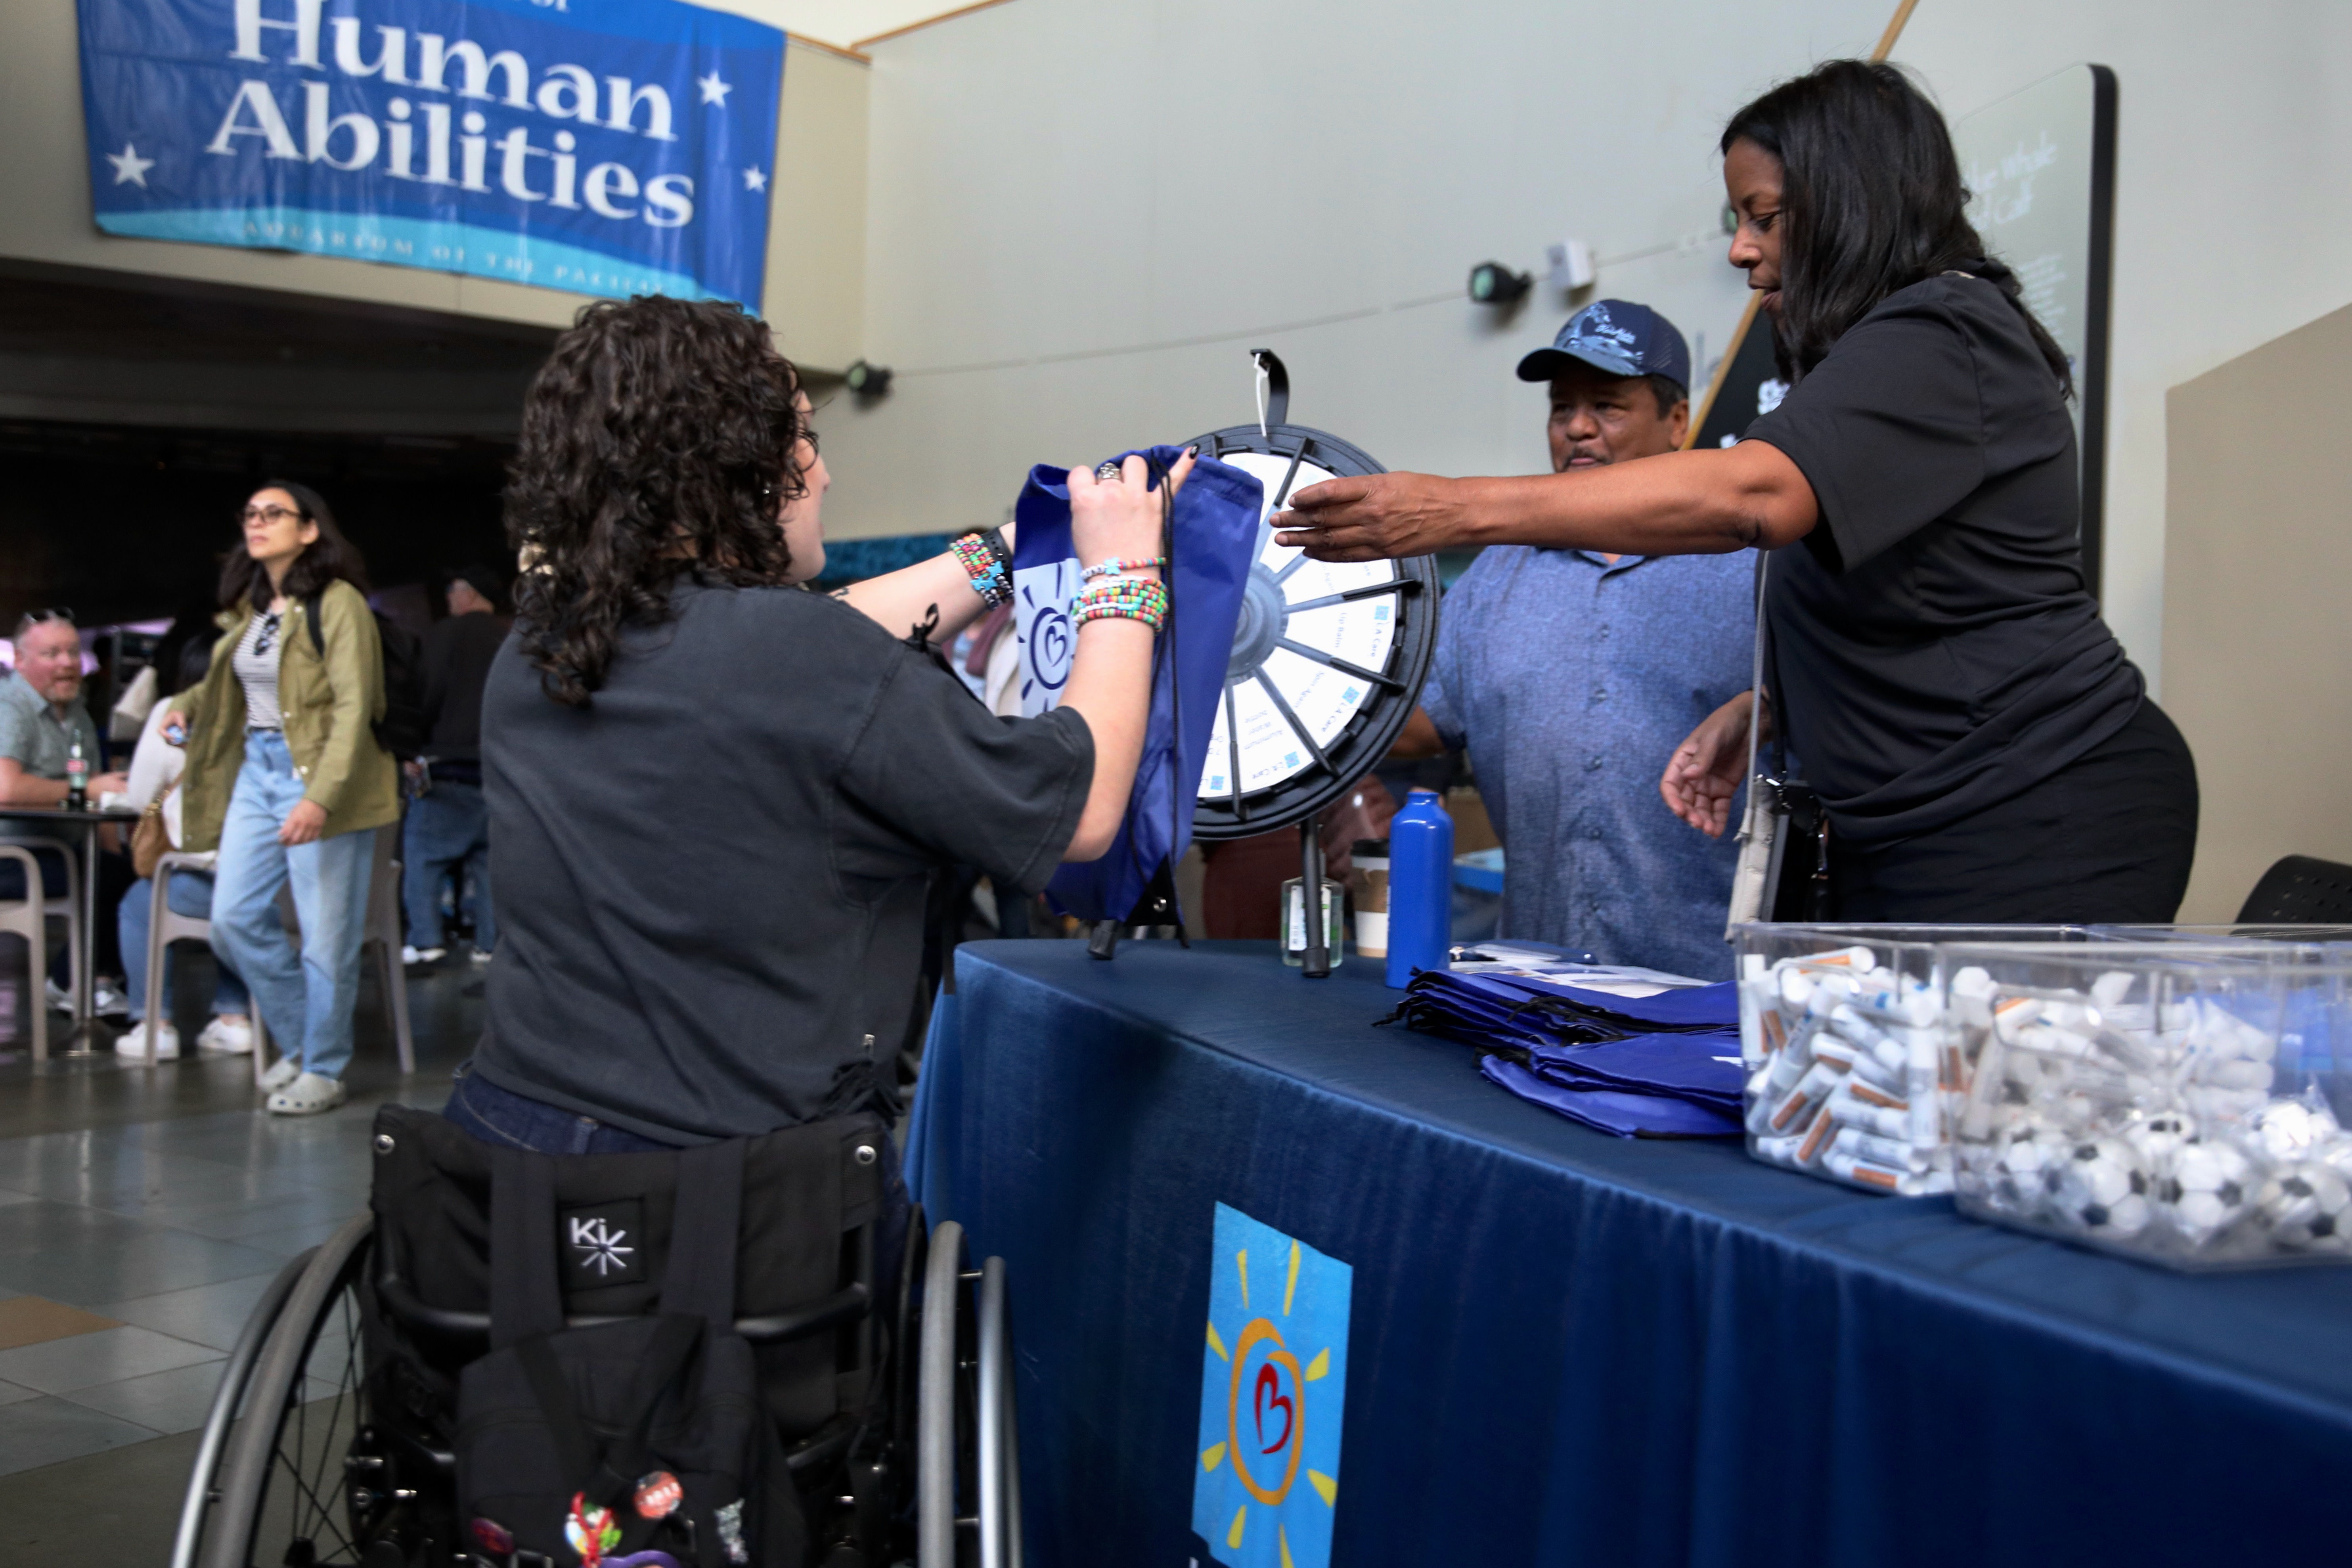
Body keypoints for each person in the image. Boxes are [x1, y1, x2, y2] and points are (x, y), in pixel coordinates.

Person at [1275, 59, 2196, 925]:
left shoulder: (1944, 327)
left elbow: (1755, 496)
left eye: (1762, 216)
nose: (1740, 253)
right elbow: (1925, 602)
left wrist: (1452, 509)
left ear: (1847, 208)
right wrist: (1772, 709)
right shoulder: (1875, 364)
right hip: (1913, 821)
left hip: (2036, 804)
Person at [445, 295, 1179, 1159]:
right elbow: (1084, 808)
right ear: (731, 464)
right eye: (802, 438)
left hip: (503, 1147)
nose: (822, 472)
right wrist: (1124, 573)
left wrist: (1016, 549)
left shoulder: (540, 643)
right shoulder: (801, 657)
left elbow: (808, 641)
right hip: (733, 1181)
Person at [1388, 300, 1751, 977]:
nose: (1578, 428)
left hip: (1713, 991)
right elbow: (1417, 727)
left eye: (1608, 407)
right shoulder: (1499, 569)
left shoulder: (1750, 566)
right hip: (1536, 982)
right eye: (1561, 409)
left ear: (1677, 423)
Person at [162, 481, 402, 1115]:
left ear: (310, 529)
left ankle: (323, 1067)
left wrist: (320, 797)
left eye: (274, 514)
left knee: (326, 938)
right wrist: (185, 706)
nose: (258, 523)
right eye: (250, 514)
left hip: (322, 772)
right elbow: (228, 681)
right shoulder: (252, 607)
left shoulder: (339, 602)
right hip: (257, 767)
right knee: (232, 919)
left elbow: (356, 706)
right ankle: (304, 1042)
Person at [115, 638, 255, 1060]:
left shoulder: (174, 713)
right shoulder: (268, 716)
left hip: (206, 881)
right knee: (240, 893)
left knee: (139, 905)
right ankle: (235, 1018)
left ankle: (155, 1024)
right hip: (275, 883)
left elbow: (141, 798)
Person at [0, 609, 133, 1013]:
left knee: (127, 875)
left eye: (73, 653)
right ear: (21, 661)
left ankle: (88, 979)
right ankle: (74, 981)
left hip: (58, 850)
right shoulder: (12, 707)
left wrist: (115, 850)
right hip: (11, 856)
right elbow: (5, 787)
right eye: (52, 653)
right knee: (108, 878)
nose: (67, 663)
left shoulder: (76, 713)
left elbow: (97, 790)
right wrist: (84, 789)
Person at [401, 564, 506, 968]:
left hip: (446, 766)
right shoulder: (509, 636)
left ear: (468, 593)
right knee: (489, 865)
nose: (448, 598)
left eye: (451, 590)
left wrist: (411, 746)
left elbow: (423, 694)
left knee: (425, 858)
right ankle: (489, 943)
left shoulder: (445, 635)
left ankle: (427, 940)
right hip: (496, 769)